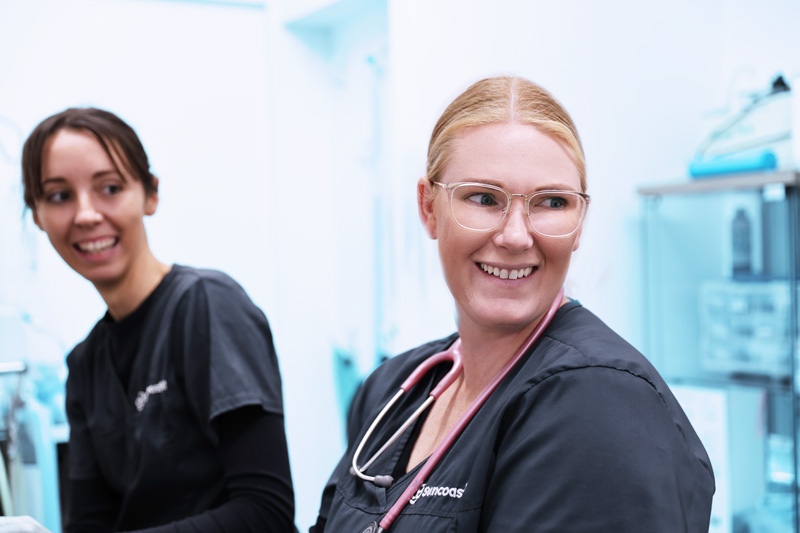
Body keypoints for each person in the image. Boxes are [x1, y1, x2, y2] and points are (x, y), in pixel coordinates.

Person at [310, 76, 715, 532]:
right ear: (428, 208)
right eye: (484, 198)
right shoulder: (391, 388)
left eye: (551, 202)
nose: (516, 236)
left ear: (580, 222)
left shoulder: (598, 402)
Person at [3, 107, 296, 532]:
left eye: (109, 187)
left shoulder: (208, 306)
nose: (86, 215)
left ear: (150, 194)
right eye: (60, 196)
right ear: (38, 216)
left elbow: (265, 512)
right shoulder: (85, 365)